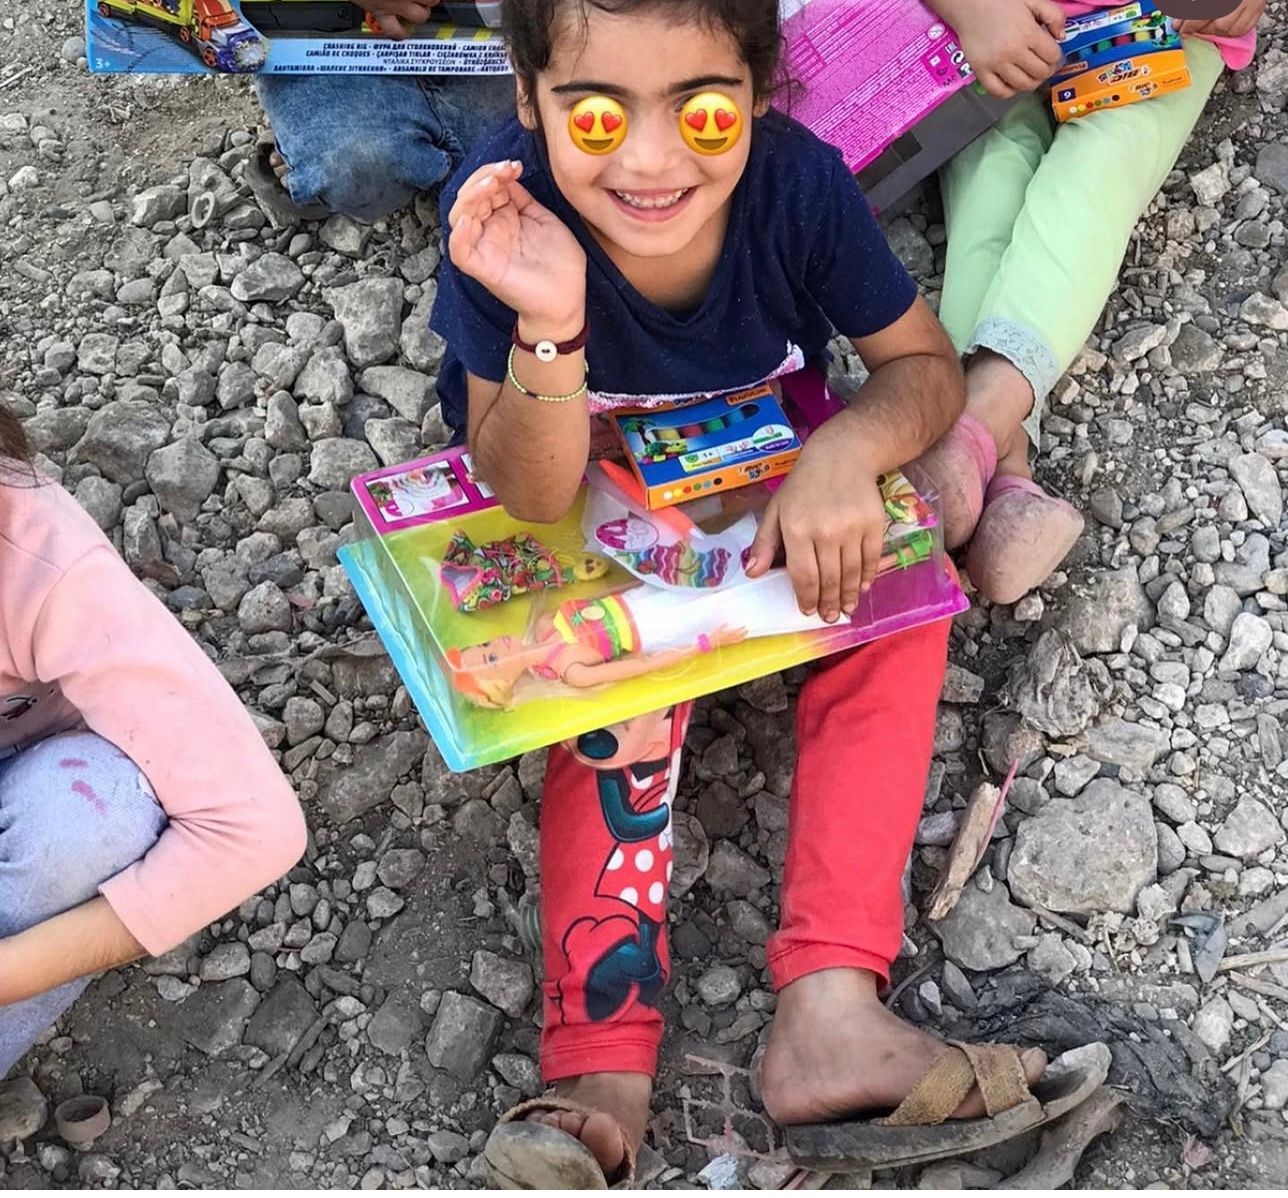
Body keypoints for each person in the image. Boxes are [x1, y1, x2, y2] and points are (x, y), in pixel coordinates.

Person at [431, 0, 1054, 1184]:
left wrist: (843, 456)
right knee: (607, 677)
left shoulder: (793, 183)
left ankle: (831, 1005)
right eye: (595, 116)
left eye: (702, 114)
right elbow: (527, 492)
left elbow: (921, 369)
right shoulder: (505, 212)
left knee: (899, 595)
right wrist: (550, 322)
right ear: (526, 98)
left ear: (763, 94)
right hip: (580, 500)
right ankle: (600, 1061)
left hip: (766, 484)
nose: (650, 160)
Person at [916, 0, 1262, 603]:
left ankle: (975, 425)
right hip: (995, 27)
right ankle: (1002, 469)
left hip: (1163, 26)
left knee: (1096, 175)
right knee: (992, 174)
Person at [0, 410, 307, 1082]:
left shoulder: (38, 562)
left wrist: (11, 971)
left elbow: (252, 828)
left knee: (94, 815)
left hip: (34, 771)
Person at [248, 0, 515, 223]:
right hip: (328, 36)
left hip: (496, 34)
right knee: (351, 168)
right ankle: (309, 160)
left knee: (512, 171)